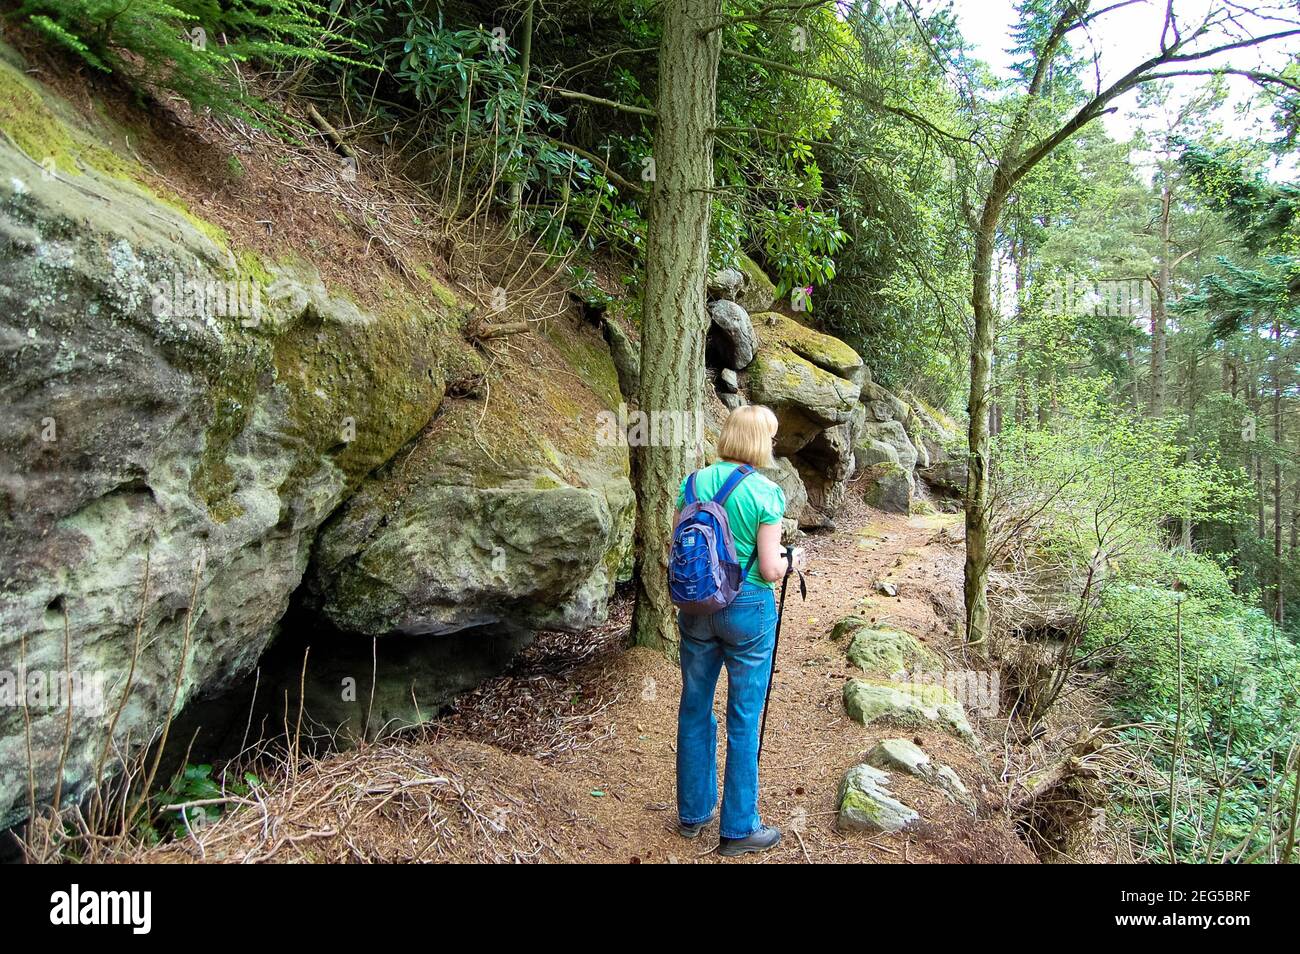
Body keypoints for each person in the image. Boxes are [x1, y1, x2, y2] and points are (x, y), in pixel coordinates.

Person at [673, 404, 806, 857]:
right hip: (747, 607)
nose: (771, 444)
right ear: (757, 441)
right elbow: (769, 569)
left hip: (695, 605)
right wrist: (794, 561)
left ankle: (692, 815)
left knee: (694, 706)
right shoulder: (765, 491)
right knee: (743, 717)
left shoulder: (691, 483)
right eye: (769, 437)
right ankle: (739, 827)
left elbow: (680, 549)